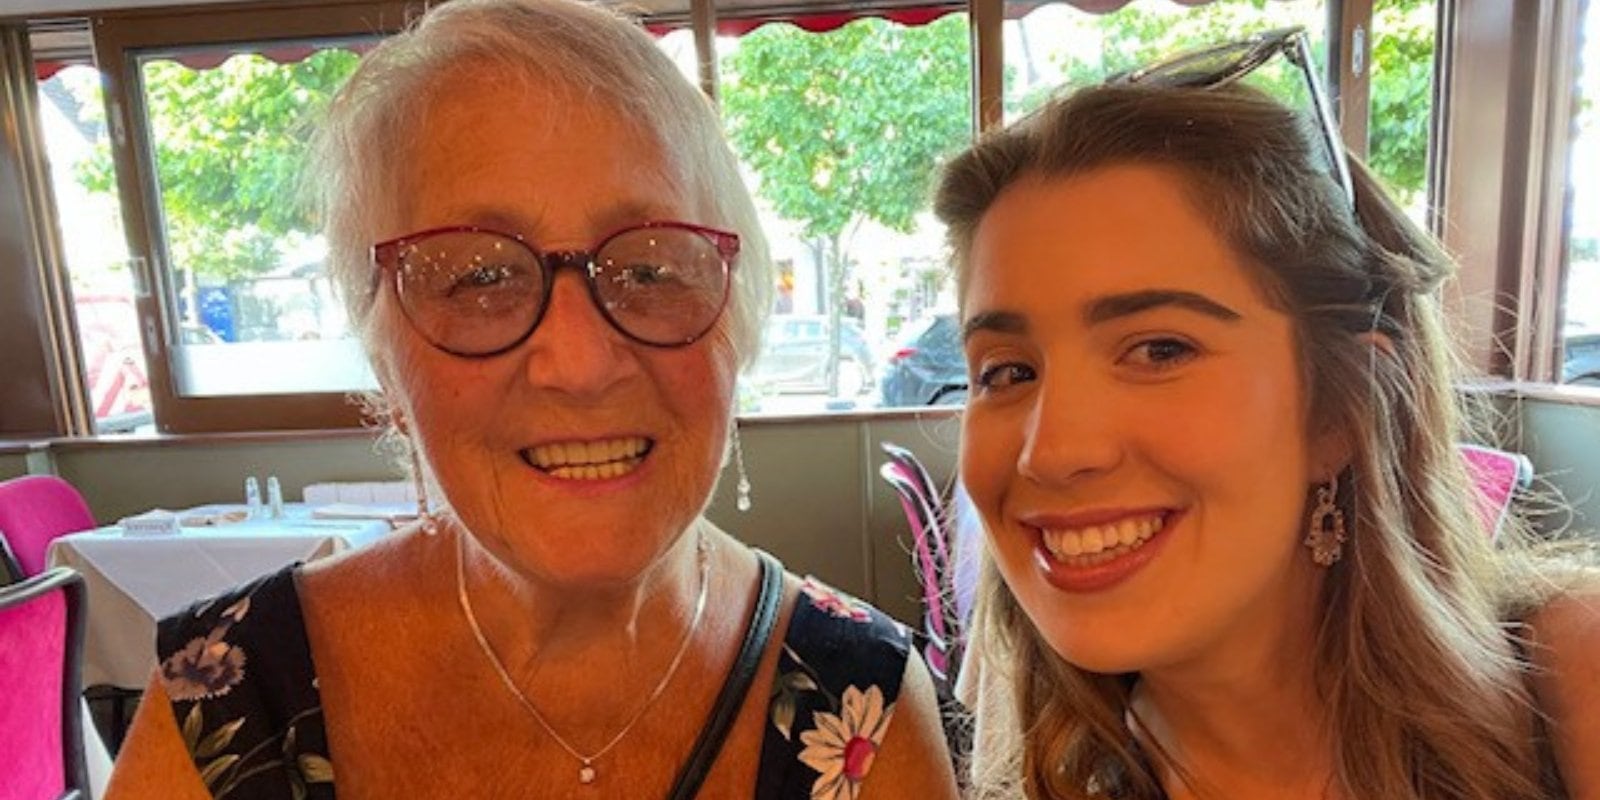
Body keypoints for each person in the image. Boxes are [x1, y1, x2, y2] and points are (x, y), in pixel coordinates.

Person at [105, 1, 958, 797]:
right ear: (386, 362)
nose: (580, 364)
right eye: (478, 277)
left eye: (651, 269)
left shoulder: (865, 701)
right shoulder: (227, 690)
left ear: (736, 323)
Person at [934, 30, 1600, 800]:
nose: (1049, 452)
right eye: (1007, 372)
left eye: (1159, 350)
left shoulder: (1571, 678)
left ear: (1341, 407)